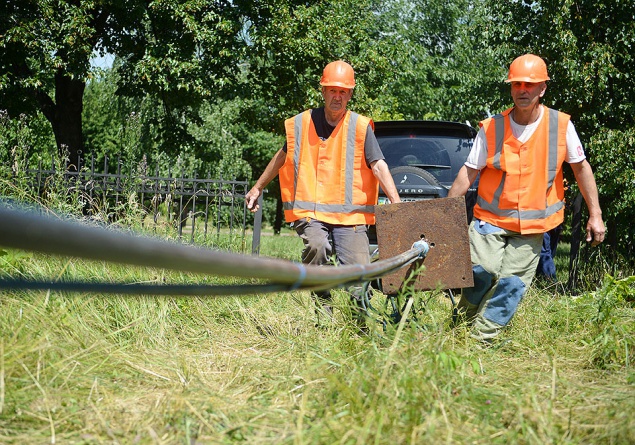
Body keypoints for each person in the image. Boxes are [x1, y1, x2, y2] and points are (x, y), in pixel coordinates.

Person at [447, 54, 605, 343]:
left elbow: (582, 169)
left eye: (530, 85)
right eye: (517, 83)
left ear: (542, 88)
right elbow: (467, 174)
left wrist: (595, 214)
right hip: (489, 220)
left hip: (532, 227)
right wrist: (443, 217)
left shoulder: (561, 126)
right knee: (481, 273)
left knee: (510, 286)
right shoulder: (491, 128)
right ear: (510, 87)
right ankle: (460, 322)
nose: (522, 90)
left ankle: (480, 342)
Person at [245, 60, 401, 319]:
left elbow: (379, 166)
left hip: (351, 218)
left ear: (350, 94)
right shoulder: (300, 123)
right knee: (316, 247)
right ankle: (324, 311)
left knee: (359, 276)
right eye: (332, 90)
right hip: (312, 213)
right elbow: (282, 156)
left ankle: (358, 325)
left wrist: (395, 202)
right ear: (323, 91)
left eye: (343, 91)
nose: (337, 96)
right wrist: (257, 187)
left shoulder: (360, 127)